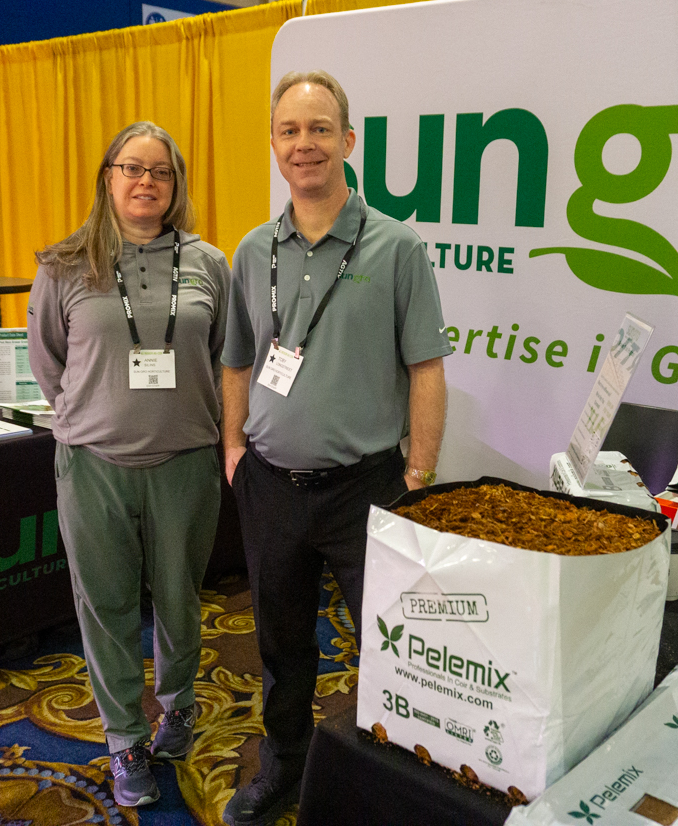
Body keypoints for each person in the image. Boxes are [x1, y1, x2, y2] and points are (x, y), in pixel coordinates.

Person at [220, 71, 452, 826]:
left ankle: (395, 786)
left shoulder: (397, 246)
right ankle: (283, 765)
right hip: (270, 484)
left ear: (348, 141)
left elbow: (426, 369)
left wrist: (419, 473)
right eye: (289, 131)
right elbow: (237, 360)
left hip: (368, 489)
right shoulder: (253, 251)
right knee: (281, 645)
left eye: (320, 128)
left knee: (392, 645)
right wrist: (232, 447)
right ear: (274, 145)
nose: (305, 144)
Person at [27, 121, 229, 808]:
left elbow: (224, 357)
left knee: (180, 599)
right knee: (105, 606)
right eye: (132, 168)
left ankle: (179, 706)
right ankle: (124, 740)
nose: (146, 181)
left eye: (160, 171)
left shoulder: (210, 262)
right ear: (107, 178)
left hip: (186, 463)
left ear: (176, 185)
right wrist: (90, 416)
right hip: (93, 466)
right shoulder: (64, 264)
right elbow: (49, 362)